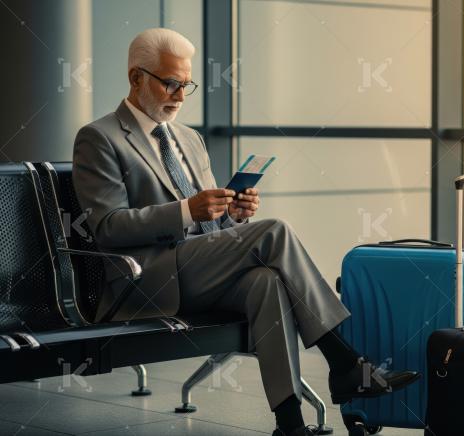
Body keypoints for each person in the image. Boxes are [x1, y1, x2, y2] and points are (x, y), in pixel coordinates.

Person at [72, 28, 419, 436]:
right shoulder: (100, 138)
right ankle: (344, 362)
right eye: (170, 84)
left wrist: (232, 216)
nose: (180, 96)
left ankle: (290, 424)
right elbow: (107, 228)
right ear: (136, 78)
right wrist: (186, 209)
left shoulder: (189, 139)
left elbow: (212, 225)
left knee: (265, 281)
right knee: (273, 231)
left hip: (201, 269)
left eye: (186, 85)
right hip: (147, 279)